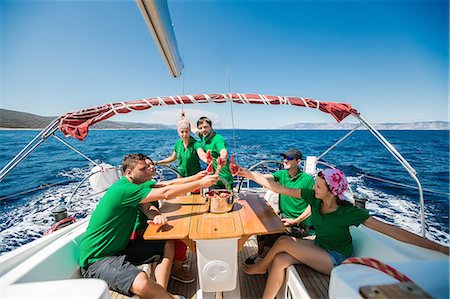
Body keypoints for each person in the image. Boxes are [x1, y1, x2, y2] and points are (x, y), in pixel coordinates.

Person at [238, 167, 449, 299]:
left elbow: (392, 231)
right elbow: (278, 188)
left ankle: (259, 268)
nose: (314, 187)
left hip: (336, 258)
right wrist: (248, 174)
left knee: (284, 241)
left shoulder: (349, 212)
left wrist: (439, 247)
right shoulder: (314, 197)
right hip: (319, 247)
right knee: (281, 258)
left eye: (319, 185)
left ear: (331, 191)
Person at [79, 153, 218, 299]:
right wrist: (201, 183)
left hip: (121, 248)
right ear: (129, 172)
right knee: (143, 283)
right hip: (97, 259)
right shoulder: (124, 190)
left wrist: (155, 214)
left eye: (148, 167)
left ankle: (160, 291)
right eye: (143, 169)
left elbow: (158, 195)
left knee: (167, 245)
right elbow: (165, 192)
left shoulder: (135, 184)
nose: (148, 170)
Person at [245, 148, 315, 265]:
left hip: (300, 224)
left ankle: (263, 260)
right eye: (284, 158)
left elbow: (313, 205)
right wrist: (247, 173)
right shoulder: (282, 174)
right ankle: (260, 254)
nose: (285, 161)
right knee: (262, 229)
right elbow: (264, 177)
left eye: (289, 158)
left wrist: (295, 221)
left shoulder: (307, 180)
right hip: (283, 218)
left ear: (298, 162)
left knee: (273, 232)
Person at [196, 116, 233, 189]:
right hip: (212, 178)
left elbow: (223, 151)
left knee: (225, 199)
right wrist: (183, 118)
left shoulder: (218, 139)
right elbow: (193, 129)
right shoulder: (203, 136)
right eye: (200, 128)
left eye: (205, 127)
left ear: (211, 127)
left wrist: (222, 159)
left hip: (224, 179)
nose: (203, 130)